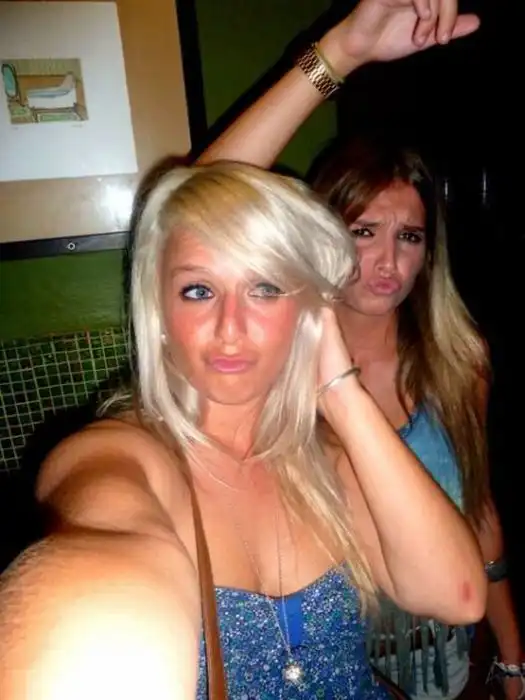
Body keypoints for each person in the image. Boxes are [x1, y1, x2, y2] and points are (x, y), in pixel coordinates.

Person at [0, 161, 486, 699]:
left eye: (265, 288)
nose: (230, 327)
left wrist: (343, 393)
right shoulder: (120, 457)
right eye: (198, 291)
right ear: (158, 311)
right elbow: (97, 568)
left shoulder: (325, 456)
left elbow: (458, 596)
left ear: (306, 311)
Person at [196, 0, 524, 698]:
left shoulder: (457, 361)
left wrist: (513, 655)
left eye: (408, 237)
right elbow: (196, 209)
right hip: (335, 669)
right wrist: (339, 53)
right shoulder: (273, 370)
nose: (386, 262)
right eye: (362, 231)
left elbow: (480, 513)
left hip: (448, 662)